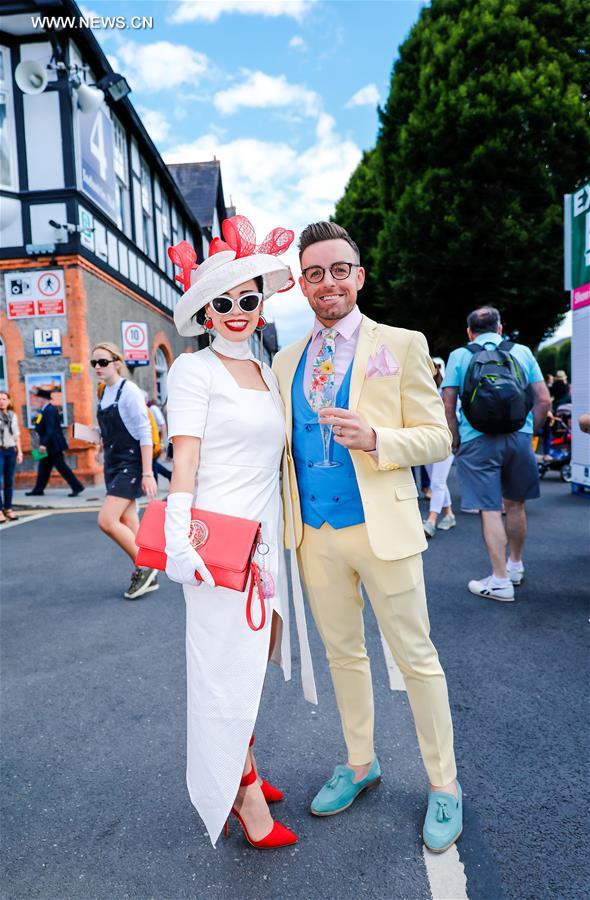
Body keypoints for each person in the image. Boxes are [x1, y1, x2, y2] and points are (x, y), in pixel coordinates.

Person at [272, 221, 462, 854]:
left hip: (383, 526)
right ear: (302, 284)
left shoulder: (402, 345)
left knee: (417, 658)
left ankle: (445, 784)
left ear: (359, 275)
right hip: (315, 534)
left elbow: (438, 437)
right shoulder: (284, 360)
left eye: (339, 270)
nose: (328, 282)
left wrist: (380, 440)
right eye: (315, 273)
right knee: (343, 655)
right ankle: (360, 762)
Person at [164, 216, 316, 850]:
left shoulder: (261, 368)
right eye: (220, 303)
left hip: (264, 541)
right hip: (216, 543)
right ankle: (242, 795)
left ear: (262, 304)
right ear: (203, 312)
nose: (234, 311)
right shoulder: (194, 372)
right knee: (223, 668)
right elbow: (187, 462)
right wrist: (178, 541)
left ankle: (237, 761)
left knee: (250, 661)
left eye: (246, 300)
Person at [442, 307, 551, 601]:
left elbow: (448, 403)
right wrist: (531, 432)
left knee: (490, 508)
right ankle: (515, 566)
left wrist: (455, 440)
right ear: (500, 328)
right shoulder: (523, 352)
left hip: (477, 439)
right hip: (519, 436)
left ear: (469, 332)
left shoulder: (460, 356)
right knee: (516, 505)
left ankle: (499, 579)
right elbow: (543, 399)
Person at [91, 342, 159, 600]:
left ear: (117, 363)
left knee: (107, 521)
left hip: (130, 463)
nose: (98, 367)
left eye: (103, 362)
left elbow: (143, 433)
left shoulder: (129, 390)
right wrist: (96, 437)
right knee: (129, 521)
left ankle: (145, 566)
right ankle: (144, 574)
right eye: (94, 363)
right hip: (112, 462)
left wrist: (147, 473)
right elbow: (110, 428)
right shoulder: (102, 392)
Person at [25, 387, 85, 498]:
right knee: (43, 467)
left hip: (53, 445)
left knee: (61, 467)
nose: (36, 400)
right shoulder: (45, 410)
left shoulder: (50, 410)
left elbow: (50, 429)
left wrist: (44, 444)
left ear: (42, 399)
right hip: (49, 444)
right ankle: (38, 489)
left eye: (37, 398)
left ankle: (77, 487)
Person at [422, 358, 456, 537]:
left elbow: (453, 415)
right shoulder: (422, 390)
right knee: (438, 481)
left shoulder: (445, 392)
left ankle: (431, 520)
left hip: (445, 441)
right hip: (426, 442)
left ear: (437, 369)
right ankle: (449, 514)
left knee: (437, 482)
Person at [0, 390, 24, 522]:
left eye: (4, 399)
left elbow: (17, 436)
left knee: (9, 481)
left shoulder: (12, 415)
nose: (1, 401)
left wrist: (19, 451)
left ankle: (8, 509)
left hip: (11, 451)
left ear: (9, 401)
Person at [147, 398, 172, 484]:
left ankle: (155, 483)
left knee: (152, 462)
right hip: (152, 439)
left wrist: (162, 443)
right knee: (152, 463)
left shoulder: (152, 408)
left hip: (155, 439)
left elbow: (162, 424)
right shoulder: (148, 409)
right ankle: (168, 475)